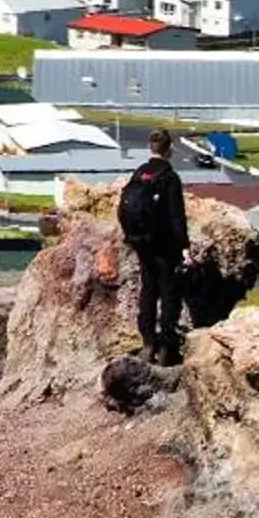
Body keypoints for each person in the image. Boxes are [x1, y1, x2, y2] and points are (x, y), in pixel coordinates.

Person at [114, 128, 189, 364]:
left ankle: (148, 341)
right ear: (170, 149)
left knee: (148, 290)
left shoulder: (140, 173)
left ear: (151, 147)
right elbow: (176, 216)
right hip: (165, 245)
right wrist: (184, 246)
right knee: (168, 293)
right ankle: (166, 346)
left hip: (141, 243)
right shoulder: (169, 177)